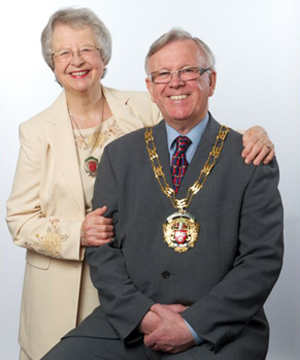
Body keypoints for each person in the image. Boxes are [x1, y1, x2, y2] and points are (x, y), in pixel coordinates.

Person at [6, 7, 275, 360]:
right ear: (51, 62)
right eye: (64, 52)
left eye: (87, 49)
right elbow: (19, 219)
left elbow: (198, 131)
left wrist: (255, 135)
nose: (77, 60)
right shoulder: (36, 131)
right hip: (86, 287)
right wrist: (80, 234)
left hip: (160, 279)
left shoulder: (143, 104)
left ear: (103, 56)